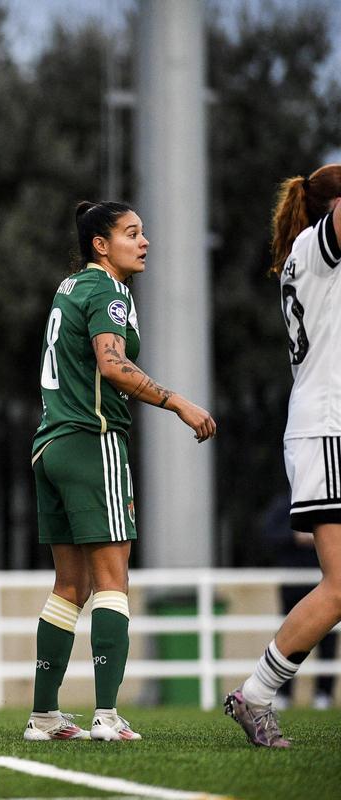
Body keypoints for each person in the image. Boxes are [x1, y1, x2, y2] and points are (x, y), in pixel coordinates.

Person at [26, 201, 215, 743]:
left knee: (71, 585)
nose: (144, 241)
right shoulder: (108, 290)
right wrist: (179, 402)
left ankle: (44, 717)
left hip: (50, 444)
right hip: (93, 440)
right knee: (113, 582)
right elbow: (111, 363)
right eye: (132, 233)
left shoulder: (69, 287)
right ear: (101, 245)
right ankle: (107, 717)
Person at [226, 164, 341, 748]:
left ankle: (256, 693)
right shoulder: (316, 248)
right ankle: (256, 694)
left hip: (325, 427)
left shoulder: (316, 260)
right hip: (327, 431)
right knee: (340, 587)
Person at [259, 492, 336, 711]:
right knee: (290, 635)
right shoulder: (285, 503)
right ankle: (281, 692)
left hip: (322, 580)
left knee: (327, 639)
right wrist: (296, 536)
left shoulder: (329, 500)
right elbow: (269, 533)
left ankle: (323, 694)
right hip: (293, 583)